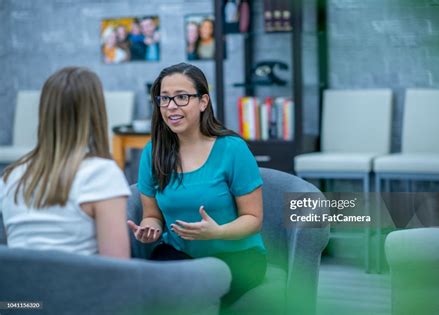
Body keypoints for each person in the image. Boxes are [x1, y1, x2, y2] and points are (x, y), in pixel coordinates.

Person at [128, 63, 267, 307]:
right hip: (180, 255)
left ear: (203, 102)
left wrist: (218, 232)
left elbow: (253, 218)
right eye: (165, 98)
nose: (171, 106)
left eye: (182, 97)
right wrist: (150, 228)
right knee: (147, 293)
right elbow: (152, 215)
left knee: (193, 296)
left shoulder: (233, 149)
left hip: (237, 257)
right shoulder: (153, 153)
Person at [0, 67, 131, 259]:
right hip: (81, 288)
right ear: (96, 113)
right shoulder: (102, 174)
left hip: (19, 289)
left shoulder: (11, 177)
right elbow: (118, 269)